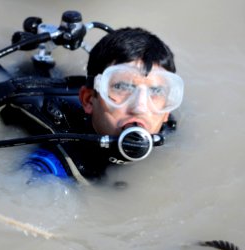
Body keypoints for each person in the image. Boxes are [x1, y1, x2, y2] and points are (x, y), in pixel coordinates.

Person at [20, 27, 184, 184]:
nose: (140, 107)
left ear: (166, 112)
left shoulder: (169, 131)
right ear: (89, 100)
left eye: (155, 91)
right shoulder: (57, 161)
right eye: (122, 87)